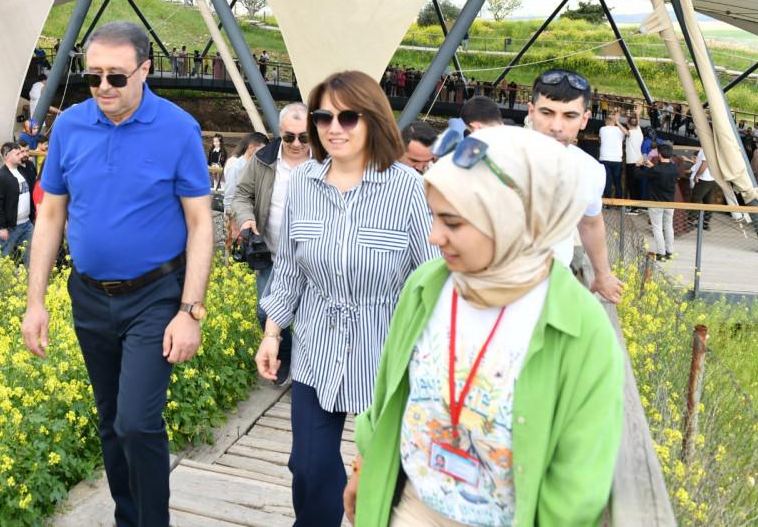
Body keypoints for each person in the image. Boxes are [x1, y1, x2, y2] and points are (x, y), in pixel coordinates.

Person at [345, 125, 623, 526]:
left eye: (453, 223)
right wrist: (363, 467)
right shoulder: (428, 284)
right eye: (435, 218)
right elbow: (388, 392)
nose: (434, 236)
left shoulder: (581, 328)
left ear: (512, 217)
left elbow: (578, 484)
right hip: (411, 507)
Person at [21, 21, 212, 527]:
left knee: (137, 421)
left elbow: (200, 223)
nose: (104, 87)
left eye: (117, 77)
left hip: (155, 296)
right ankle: (129, 518)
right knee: (111, 421)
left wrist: (190, 309)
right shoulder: (69, 127)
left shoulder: (178, 129)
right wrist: (34, 302)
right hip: (88, 296)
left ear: (145, 71)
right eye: (93, 77)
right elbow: (51, 215)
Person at [256, 71, 437, 526]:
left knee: (385, 475)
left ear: (373, 119)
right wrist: (273, 332)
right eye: (323, 117)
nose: (333, 128)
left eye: (348, 117)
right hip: (318, 346)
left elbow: (430, 279)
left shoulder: (407, 189)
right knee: (310, 469)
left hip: (385, 351)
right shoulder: (303, 184)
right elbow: (290, 268)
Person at [525, 70, 624, 303]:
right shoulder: (496, 157)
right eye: (547, 113)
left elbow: (590, 223)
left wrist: (603, 275)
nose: (556, 126)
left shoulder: (589, 170)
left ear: (584, 119)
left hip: (551, 290)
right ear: (531, 112)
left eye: (569, 116)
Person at [232, 103, 311, 387]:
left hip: (309, 257)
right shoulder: (263, 159)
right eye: (290, 137)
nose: (297, 143)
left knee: (306, 317)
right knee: (266, 310)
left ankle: (302, 374)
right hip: (271, 251)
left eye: (304, 137)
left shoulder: (325, 162)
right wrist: (245, 219)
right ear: (280, 132)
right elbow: (241, 194)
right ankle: (284, 353)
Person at [0, 141, 38, 264]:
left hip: (26, 223)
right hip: (10, 226)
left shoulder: (23, 172)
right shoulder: (0, 177)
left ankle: (28, 281)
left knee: (30, 257)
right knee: (4, 258)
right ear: (7, 156)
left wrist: (32, 216)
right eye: (17, 154)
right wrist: (2, 227)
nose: (21, 156)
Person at [636, 140, 681, 260]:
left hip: (655, 202)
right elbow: (663, 170)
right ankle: (669, 252)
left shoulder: (656, 170)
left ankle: (661, 253)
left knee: (657, 228)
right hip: (670, 202)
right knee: (668, 226)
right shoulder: (674, 169)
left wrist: (638, 165)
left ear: (659, 155)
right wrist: (653, 167)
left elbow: (638, 175)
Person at [222, 132, 268, 240]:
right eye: (262, 149)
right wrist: (233, 225)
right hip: (238, 220)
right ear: (251, 147)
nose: (264, 153)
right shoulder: (236, 167)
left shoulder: (256, 166)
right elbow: (229, 197)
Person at [688, 148, 721, 231]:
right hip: (712, 178)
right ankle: (705, 223)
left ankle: (690, 222)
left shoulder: (706, 149)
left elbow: (704, 164)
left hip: (704, 178)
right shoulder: (713, 148)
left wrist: (698, 175)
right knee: (709, 202)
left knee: (695, 199)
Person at [598, 111, 627, 199]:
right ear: (614, 121)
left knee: (607, 181)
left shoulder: (602, 129)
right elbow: (626, 134)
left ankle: (607, 201)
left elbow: (600, 139)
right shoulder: (620, 130)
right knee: (617, 181)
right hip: (617, 159)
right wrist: (617, 122)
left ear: (606, 121)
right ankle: (618, 200)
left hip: (604, 158)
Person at [624, 111, 645, 205]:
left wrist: (617, 122)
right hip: (640, 161)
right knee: (637, 184)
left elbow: (625, 131)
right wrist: (637, 114)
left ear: (628, 124)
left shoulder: (630, 132)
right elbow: (638, 123)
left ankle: (634, 207)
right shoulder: (639, 131)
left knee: (631, 185)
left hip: (631, 162)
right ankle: (638, 205)